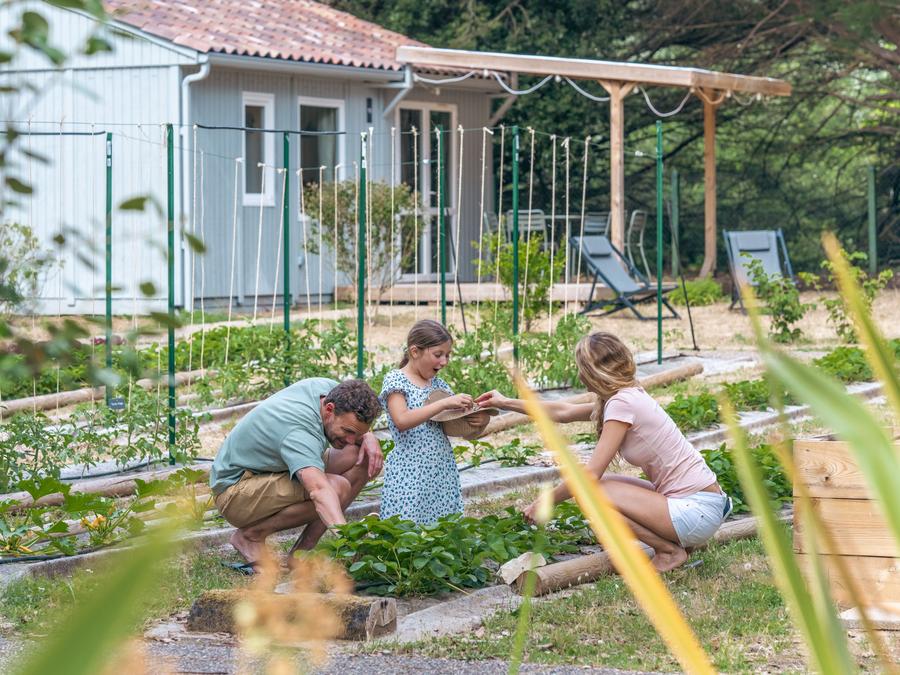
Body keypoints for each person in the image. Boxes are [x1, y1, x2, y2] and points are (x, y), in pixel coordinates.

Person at [476, 332, 731, 572]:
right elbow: (562, 412)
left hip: (696, 511)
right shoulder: (624, 396)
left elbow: (590, 475)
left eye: (580, 368)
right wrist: (505, 402)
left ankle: (668, 551)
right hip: (701, 507)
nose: (578, 375)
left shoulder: (622, 403)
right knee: (603, 486)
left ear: (592, 371)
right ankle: (678, 544)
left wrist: (544, 501)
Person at [210, 377, 383, 567]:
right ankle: (250, 536)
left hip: (271, 470)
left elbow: (355, 430)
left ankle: (301, 553)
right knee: (336, 488)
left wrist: (368, 437)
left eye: (357, 433)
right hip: (235, 492)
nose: (351, 439)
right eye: (348, 431)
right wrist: (349, 541)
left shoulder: (328, 390)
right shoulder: (299, 431)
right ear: (329, 410)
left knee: (364, 456)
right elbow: (319, 490)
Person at [379, 320, 490, 524]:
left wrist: (478, 422)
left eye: (447, 355)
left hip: (440, 468)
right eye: (438, 354)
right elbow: (402, 420)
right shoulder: (396, 380)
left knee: (442, 527)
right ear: (415, 351)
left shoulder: (439, 385)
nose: (445, 361)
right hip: (409, 470)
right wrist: (444, 403)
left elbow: (454, 428)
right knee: (407, 525)